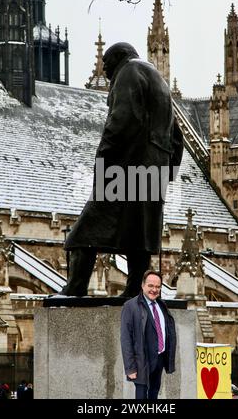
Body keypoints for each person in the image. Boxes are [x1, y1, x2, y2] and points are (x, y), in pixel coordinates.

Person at [59, 42, 183, 298]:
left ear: (118, 58)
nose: (104, 72)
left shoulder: (129, 72)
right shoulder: (158, 81)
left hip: (127, 167)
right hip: (153, 171)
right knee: (139, 237)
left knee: (84, 232)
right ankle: (134, 290)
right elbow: (177, 136)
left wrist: (103, 158)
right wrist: (166, 173)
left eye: (107, 65)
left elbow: (122, 119)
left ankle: (75, 288)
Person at [120, 270, 176, 399]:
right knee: (141, 396)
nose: (154, 290)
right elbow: (125, 339)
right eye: (151, 286)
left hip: (160, 359)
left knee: (154, 393)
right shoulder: (130, 306)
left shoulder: (162, 305)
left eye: (157, 287)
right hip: (142, 360)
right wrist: (130, 368)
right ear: (143, 285)